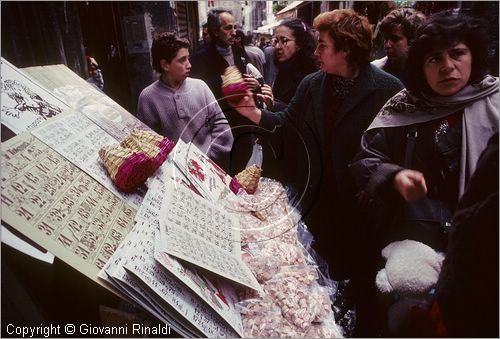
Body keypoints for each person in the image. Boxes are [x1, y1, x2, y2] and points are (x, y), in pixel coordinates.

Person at [228, 9, 403, 335]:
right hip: (318, 205)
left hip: (362, 212)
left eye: (322, 45)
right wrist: (252, 113)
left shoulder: (388, 89)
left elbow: (398, 149)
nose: (316, 51)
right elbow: (286, 127)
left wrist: (377, 185)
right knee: (320, 286)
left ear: (346, 49)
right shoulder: (313, 84)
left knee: (363, 286)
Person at [349, 10, 498, 336]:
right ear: (420, 66)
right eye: (434, 58)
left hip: (483, 253)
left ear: (473, 54)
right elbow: (365, 159)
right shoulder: (403, 106)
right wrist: (394, 176)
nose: (448, 66)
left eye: (458, 53)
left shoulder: (496, 103)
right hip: (413, 252)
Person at [137, 32, 233, 169]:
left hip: (210, 168)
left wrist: (210, 157)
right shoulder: (147, 98)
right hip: (172, 175)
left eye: (188, 58)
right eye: (182, 60)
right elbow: (148, 144)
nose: (189, 65)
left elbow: (220, 125)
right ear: (165, 65)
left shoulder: (201, 87)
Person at [190, 8, 255, 175]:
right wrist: (224, 82)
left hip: (243, 126)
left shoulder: (239, 51)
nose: (234, 32)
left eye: (234, 27)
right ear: (214, 31)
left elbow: (250, 76)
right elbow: (196, 92)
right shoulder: (200, 57)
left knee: (240, 170)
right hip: (219, 128)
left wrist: (253, 83)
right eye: (228, 28)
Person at [270, 18, 318, 111]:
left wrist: (273, 104)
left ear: (299, 44)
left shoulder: (311, 75)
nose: (277, 46)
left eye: (284, 40)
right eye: (276, 41)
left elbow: (300, 115)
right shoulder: (284, 68)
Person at [371, 8, 426, 86]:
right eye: (385, 38)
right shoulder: (374, 71)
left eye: (395, 39)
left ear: (412, 41)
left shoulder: (427, 72)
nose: (387, 45)